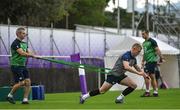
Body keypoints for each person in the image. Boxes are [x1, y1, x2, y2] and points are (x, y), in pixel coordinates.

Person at [80, 43, 148, 104]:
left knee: (133, 85)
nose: (138, 53)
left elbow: (137, 67)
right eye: (138, 51)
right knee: (102, 91)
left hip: (121, 75)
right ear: (134, 49)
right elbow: (126, 67)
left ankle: (119, 99)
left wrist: (144, 75)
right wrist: (138, 73)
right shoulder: (126, 55)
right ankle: (84, 97)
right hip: (113, 75)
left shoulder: (133, 58)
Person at [6, 27, 37, 104]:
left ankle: (25, 99)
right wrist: (31, 55)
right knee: (22, 83)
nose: (25, 35)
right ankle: (9, 95)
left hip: (23, 66)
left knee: (28, 82)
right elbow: (22, 53)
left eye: (25, 33)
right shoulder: (15, 43)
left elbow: (28, 52)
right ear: (18, 34)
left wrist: (34, 55)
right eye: (23, 33)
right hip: (16, 65)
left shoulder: (24, 43)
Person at [141, 30, 164, 97]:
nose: (142, 35)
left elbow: (157, 49)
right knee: (152, 77)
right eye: (142, 34)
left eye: (143, 34)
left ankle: (147, 92)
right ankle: (155, 92)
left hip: (152, 61)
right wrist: (142, 61)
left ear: (147, 34)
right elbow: (145, 53)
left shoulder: (152, 41)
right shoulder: (144, 43)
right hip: (148, 61)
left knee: (145, 76)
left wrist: (162, 58)